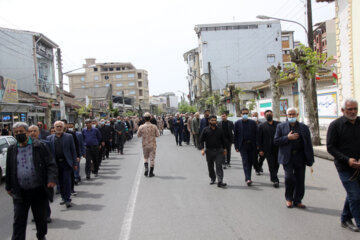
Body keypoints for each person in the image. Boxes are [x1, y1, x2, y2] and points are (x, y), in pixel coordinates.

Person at [6, 122, 57, 240]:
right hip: (20, 192)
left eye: (21, 132)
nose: (19, 134)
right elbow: (10, 169)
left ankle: (41, 235)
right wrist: (8, 186)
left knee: (40, 218)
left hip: (38, 190)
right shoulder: (12, 149)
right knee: (18, 220)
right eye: (16, 132)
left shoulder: (39, 146)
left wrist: (51, 179)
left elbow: (51, 164)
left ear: (27, 133)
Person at [327, 98, 360, 232]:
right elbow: (330, 147)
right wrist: (347, 160)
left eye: (355, 109)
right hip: (345, 167)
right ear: (342, 110)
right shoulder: (335, 125)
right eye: (349, 109)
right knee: (355, 196)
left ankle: (345, 218)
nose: (353, 112)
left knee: (354, 194)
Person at [274, 107, 314, 209]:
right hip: (287, 157)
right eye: (289, 115)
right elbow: (276, 141)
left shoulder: (304, 127)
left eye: (293, 114)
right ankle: (289, 199)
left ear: (297, 115)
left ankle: (298, 200)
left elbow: (308, 144)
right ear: (287, 116)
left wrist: (310, 158)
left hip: (300, 156)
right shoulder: (281, 127)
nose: (291, 116)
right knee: (289, 178)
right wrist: (287, 138)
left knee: (300, 179)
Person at [47, 121, 77, 208]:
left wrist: (74, 163)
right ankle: (63, 197)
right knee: (60, 182)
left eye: (60, 126)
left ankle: (67, 199)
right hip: (55, 164)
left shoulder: (69, 137)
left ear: (63, 127)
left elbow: (73, 150)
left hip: (66, 163)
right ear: (54, 127)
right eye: (57, 126)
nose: (59, 128)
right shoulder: (49, 138)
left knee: (66, 181)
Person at [28, 125, 53, 223]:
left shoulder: (45, 144)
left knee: (43, 198)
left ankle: (46, 215)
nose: (32, 133)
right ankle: (36, 216)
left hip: (43, 175)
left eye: (35, 131)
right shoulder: (25, 145)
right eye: (30, 131)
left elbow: (51, 160)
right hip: (31, 177)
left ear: (38, 133)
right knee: (33, 199)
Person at [200, 115, 227, 188]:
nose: (214, 122)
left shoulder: (220, 130)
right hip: (209, 151)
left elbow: (223, 140)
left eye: (215, 120)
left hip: (219, 151)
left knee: (219, 165)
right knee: (210, 166)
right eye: (212, 120)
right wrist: (202, 149)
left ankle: (220, 181)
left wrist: (224, 149)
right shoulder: (205, 130)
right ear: (209, 121)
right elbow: (201, 140)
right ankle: (212, 178)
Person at [234, 108, 257, 186]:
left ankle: (248, 176)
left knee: (250, 161)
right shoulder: (237, 123)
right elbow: (236, 136)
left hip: (251, 145)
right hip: (242, 145)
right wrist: (236, 146)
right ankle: (248, 178)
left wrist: (257, 145)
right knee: (245, 161)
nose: (245, 115)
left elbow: (256, 134)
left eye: (246, 113)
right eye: (243, 113)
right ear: (241, 114)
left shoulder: (253, 123)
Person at [257, 110, 280, 188]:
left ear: (272, 114)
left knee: (277, 164)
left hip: (278, 149)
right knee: (271, 165)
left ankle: (274, 175)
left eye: (270, 114)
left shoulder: (278, 125)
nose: (269, 116)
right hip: (267, 149)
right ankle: (275, 179)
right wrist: (260, 149)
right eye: (267, 115)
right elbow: (259, 139)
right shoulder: (261, 126)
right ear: (265, 116)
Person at [137, 112, 160, 177]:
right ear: (150, 118)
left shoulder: (141, 127)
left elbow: (138, 135)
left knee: (145, 157)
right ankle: (151, 172)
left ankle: (146, 168)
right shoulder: (154, 126)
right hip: (152, 144)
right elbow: (158, 135)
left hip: (145, 144)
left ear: (144, 118)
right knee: (152, 159)